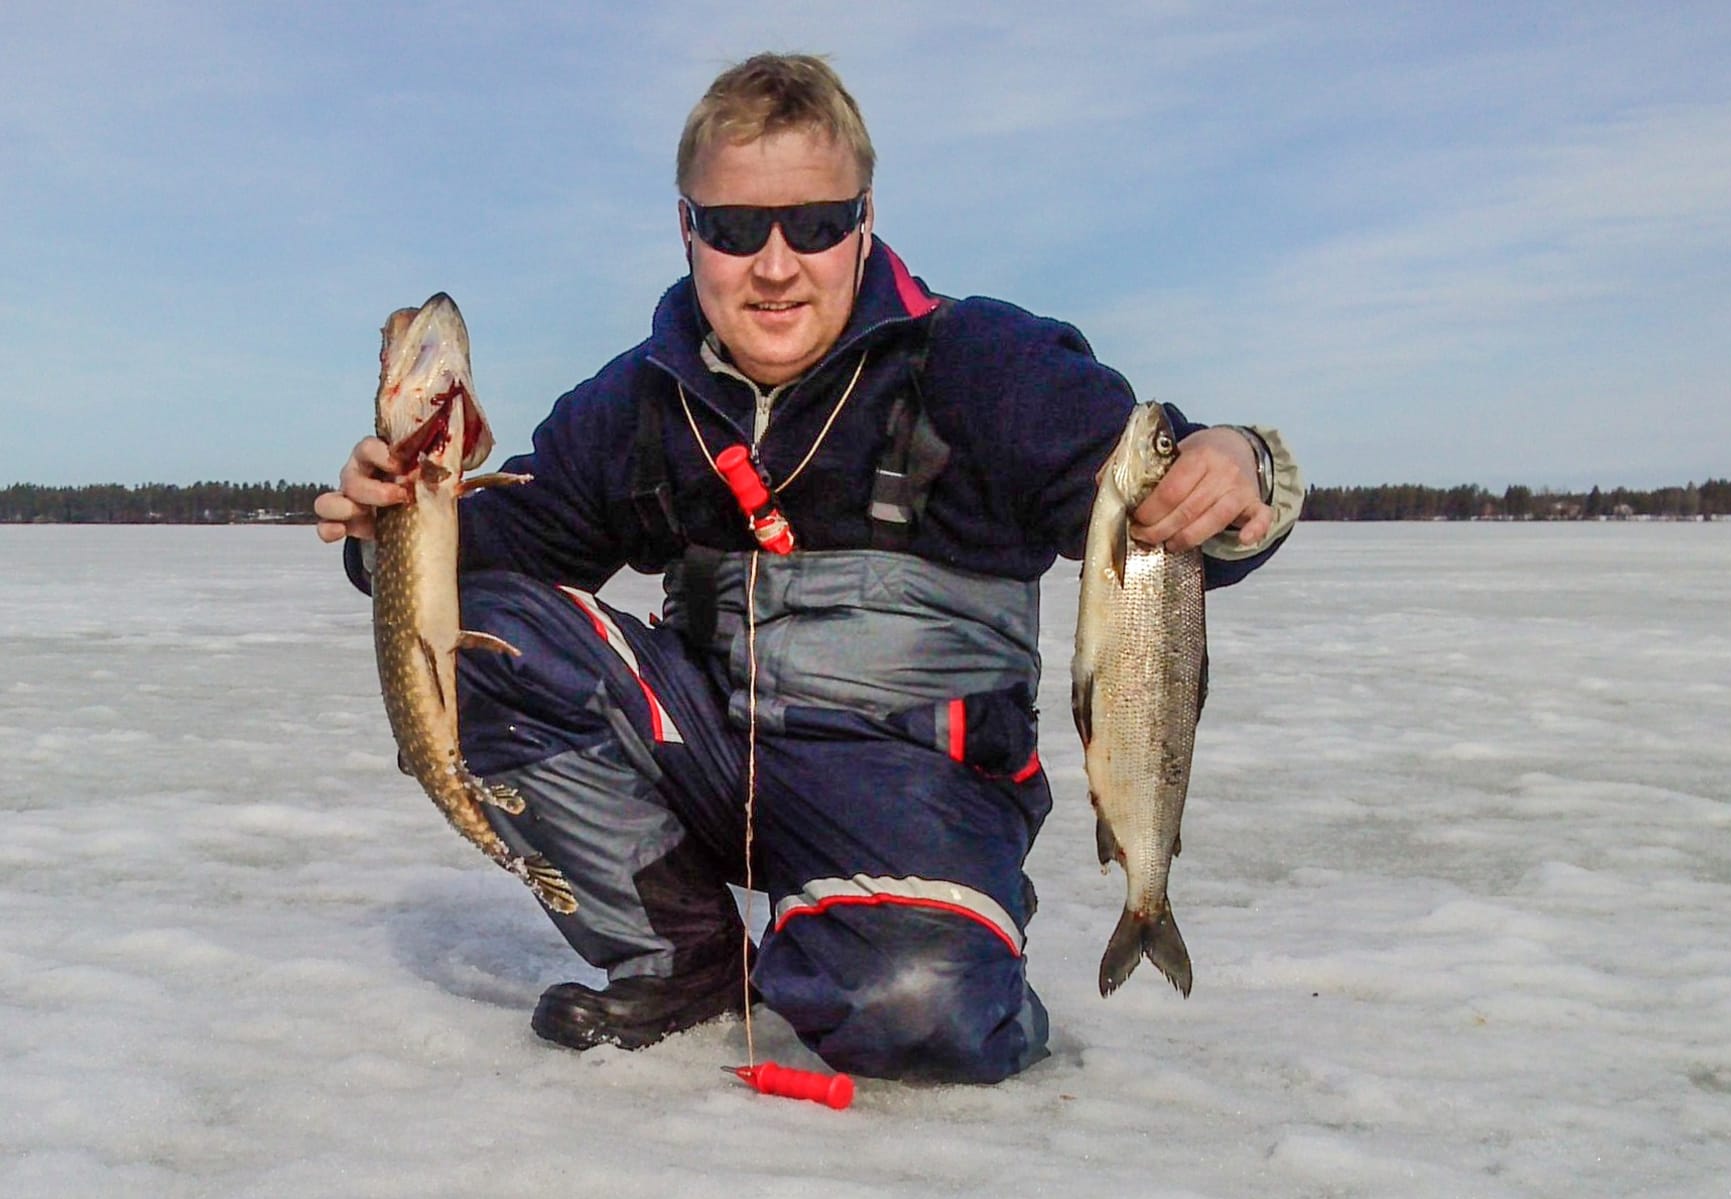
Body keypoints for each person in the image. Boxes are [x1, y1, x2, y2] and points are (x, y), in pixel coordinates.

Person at [315, 53, 1302, 1085]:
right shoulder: (648, 398)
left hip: (911, 788)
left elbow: (1170, 514)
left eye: (816, 223)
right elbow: (484, 564)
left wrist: (1244, 465)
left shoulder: (984, 366)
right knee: (476, 643)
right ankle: (687, 957)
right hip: (709, 757)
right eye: (738, 229)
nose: (775, 263)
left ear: (863, 221)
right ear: (689, 231)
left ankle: (906, 937)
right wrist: (395, 521)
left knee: (918, 1011)